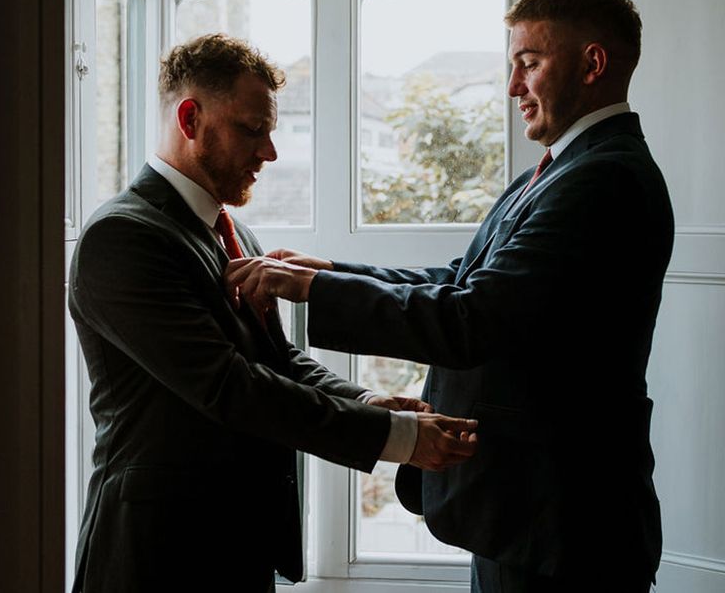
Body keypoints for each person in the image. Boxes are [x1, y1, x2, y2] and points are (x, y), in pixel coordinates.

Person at [225, 0, 675, 593]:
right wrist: (328, 273)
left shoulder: (603, 180)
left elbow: (471, 318)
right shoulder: (561, 170)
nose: (513, 87)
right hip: (525, 514)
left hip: (560, 522)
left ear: (593, 63)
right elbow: (464, 282)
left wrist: (311, 293)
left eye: (529, 64)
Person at [68, 34, 479, 593]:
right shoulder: (122, 237)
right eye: (252, 129)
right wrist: (397, 437)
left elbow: (276, 358)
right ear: (190, 117)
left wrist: (364, 398)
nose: (270, 152)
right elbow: (227, 387)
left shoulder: (233, 232)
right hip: (157, 550)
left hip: (239, 542)